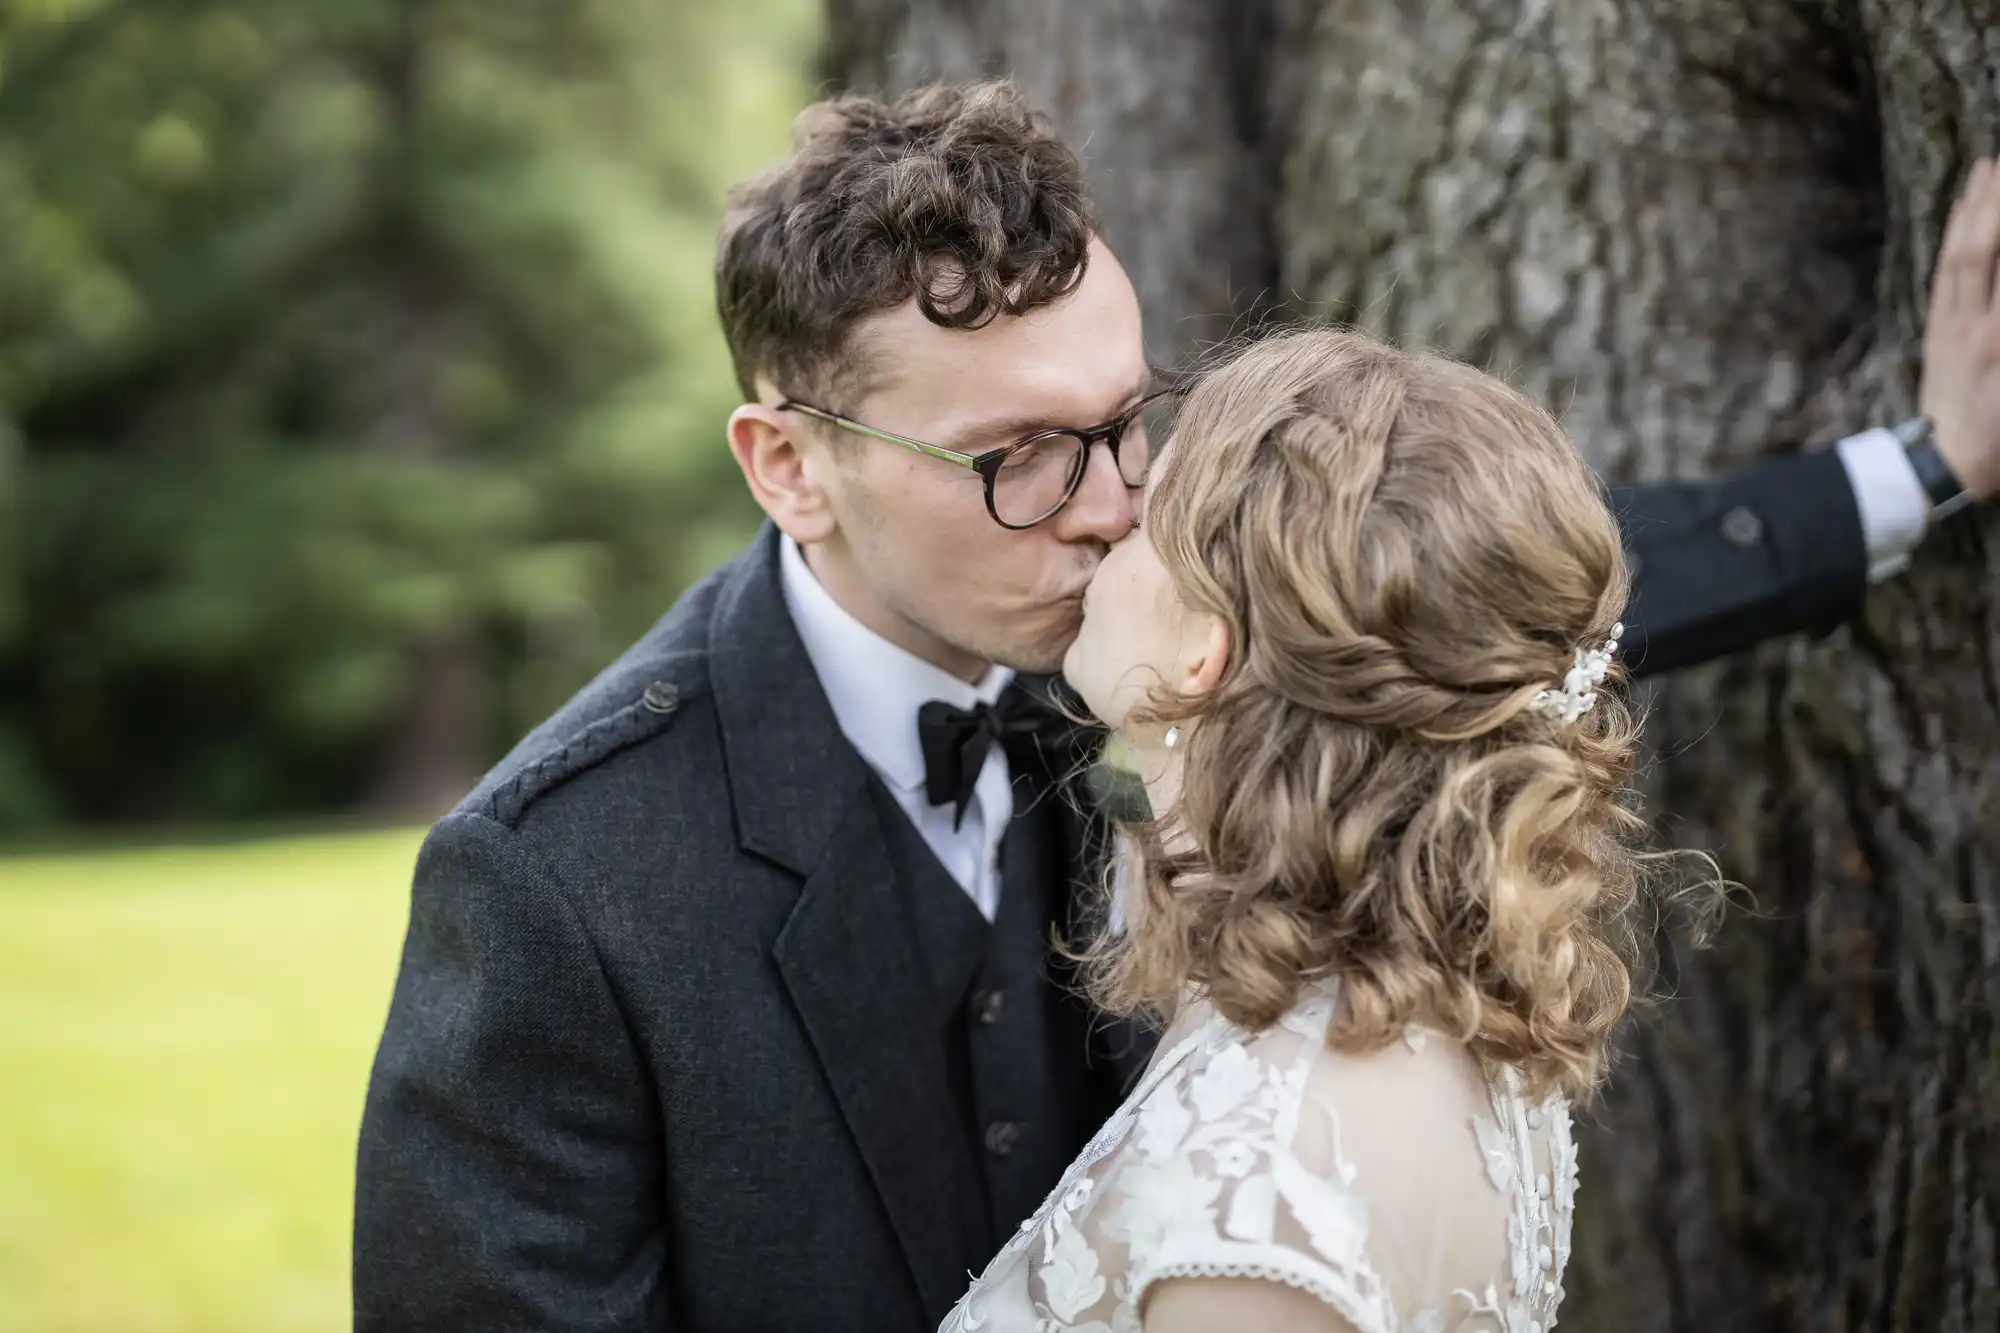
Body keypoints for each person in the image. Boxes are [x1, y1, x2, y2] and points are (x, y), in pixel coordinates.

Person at [352, 82, 2000, 1333]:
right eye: (1016, 458)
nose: (1111, 503)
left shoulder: (1161, 638)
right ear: (791, 467)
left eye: (1128, 417)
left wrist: (1915, 470)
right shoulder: (557, 885)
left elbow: (1473, 599)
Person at [944, 321, 1663, 1333]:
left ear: (1204, 646)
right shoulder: (1435, 1020)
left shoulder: (1255, 1186)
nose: (1103, 522)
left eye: (1151, 519)